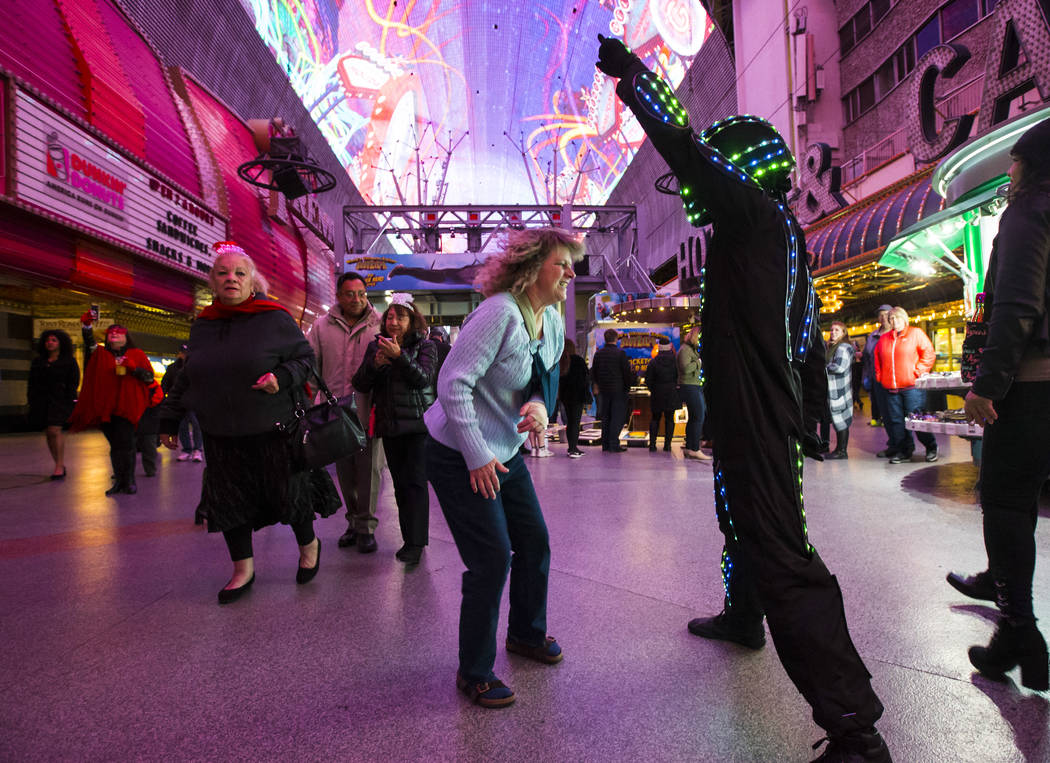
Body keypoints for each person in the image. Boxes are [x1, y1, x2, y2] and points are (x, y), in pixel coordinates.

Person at [597, 36, 889, 761]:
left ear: (746, 167)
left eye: (720, 169)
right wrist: (820, 410)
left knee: (780, 550)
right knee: (740, 517)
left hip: (757, 416)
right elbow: (810, 335)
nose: (700, 190)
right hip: (757, 412)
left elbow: (689, 150)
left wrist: (636, 79)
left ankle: (854, 726)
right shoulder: (781, 234)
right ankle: (741, 613)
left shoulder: (753, 217)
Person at [424, 227, 582, 708]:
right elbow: (451, 384)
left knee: (533, 540)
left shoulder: (551, 321)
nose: (571, 274)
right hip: (458, 450)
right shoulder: (498, 314)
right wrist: (475, 455)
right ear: (533, 269)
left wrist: (537, 407)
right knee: (492, 558)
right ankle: (474, 671)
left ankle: (527, 634)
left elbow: (543, 378)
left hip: (505, 450)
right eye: (563, 264)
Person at [159, 242, 339, 604]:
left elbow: (305, 361)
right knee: (229, 503)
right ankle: (243, 570)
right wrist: (169, 419)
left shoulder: (273, 318)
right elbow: (186, 377)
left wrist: (281, 378)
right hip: (221, 435)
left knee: (289, 494)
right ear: (212, 281)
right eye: (223, 273)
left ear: (252, 281)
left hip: (273, 429)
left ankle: (309, 545)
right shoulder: (204, 326)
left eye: (239, 273)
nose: (231, 279)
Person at [952, 118, 1050, 692]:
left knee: (1006, 502)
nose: (1008, 171)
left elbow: (1016, 303)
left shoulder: (1030, 212)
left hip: (1034, 385)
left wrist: (988, 386)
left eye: (1014, 161)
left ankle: (1018, 630)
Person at [352, 293, 438, 564]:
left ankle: (417, 542)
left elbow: (422, 379)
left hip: (417, 427)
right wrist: (375, 365)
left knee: (415, 484)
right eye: (389, 316)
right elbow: (360, 384)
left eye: (400, 316)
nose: (393, 321)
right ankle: (408, 538)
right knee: (400, 486)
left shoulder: (426, 347)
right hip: (389, 426)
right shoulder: (375, 347)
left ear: (412, 320)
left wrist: (399, 357)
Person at [306, 271, 384, 553]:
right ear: (338, 296)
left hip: (369, 412)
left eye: (361, 293)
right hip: (334, 415)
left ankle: (366, 527)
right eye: (350, 294)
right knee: (346, 473)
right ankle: (353, 522)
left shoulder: (380, 324)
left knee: (370, 472)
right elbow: (312, 369)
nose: (356, 299)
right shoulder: (321, 327)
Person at [70, 318, 155, 495]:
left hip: (127, 407)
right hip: (107, 408)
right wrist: (87, 327)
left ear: (126, 337)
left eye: (119, 332)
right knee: (115, 445)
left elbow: (148, 378)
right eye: (111, 333)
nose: (114, 334)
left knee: (126, 443)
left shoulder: (137, 354)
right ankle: (120, 481)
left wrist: (133, 368)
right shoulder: (101, 354)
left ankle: (129, 481)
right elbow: (89, 344)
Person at [873, 307, 938, 463]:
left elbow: (929, 353)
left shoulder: (915, 334)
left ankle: (931, 447)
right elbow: (877, 359)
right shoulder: (884, 339)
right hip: (891, 388)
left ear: (904, 318)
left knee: (917, 419)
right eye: (891, 319)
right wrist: (880, 377)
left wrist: (918, 371)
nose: (893, 322)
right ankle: (905, 451)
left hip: (912, 388)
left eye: (896, 318)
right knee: (896, 422)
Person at [27, 329, 79, 479]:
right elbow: (32, 383)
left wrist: (70, 400)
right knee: (49, 433)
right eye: (48, 340)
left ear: (61, 343)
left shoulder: (69, 361)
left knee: (55, 430)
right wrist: (31, 400)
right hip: (42, 401)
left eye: (54, 340)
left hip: (61, 401)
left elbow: (73, 383)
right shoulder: (38, 362)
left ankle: (58, 466)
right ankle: (59, 464)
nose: (50, 343)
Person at [590, 328, 635, 452]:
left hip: (603, 391)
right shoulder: (621, 354)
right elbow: (626, 373)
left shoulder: (598, 354)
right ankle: (614, 444)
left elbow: (594, 372)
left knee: (606, 418)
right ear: (616, 339)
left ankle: (605, 444)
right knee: (617, 418)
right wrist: (627, 387)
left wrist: (596, 385)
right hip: (618, 390)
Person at [161, 346, 203, 462]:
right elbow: (165, 385)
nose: (185, 355)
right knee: (182, 427)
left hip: (194, 403)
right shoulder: (172, 368)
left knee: (197, 425)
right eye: (183, 353)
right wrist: (165, 399)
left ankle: (198, 449)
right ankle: (187, 449)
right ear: (179, 354)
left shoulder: (196, 367)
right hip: (179, 403)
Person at [677, 324, 711, 461]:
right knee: (699, 416)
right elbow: (685, 368)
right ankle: (695, 449)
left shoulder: (690, 349)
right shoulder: (685, 350)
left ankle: (691, 447)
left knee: (694, 418)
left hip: (693, 385)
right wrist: (699, 362)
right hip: (689, 386)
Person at [825, 322, 854, 460]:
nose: (833, 332)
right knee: (838, 419)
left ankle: (842, 451)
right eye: (831, 330)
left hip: (839, 389)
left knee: (840, 419)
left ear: (844, 333)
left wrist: (823, 368)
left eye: (837, 330)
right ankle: (839, 449)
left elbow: (840, 367)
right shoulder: (832, 347)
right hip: (835, 389)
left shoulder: (843, 347)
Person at [644, 336, 679, 451]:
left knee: (655, 419)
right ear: (669, 347)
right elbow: (679, 376)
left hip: (657, 393)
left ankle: (653, 445)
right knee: (670, 419)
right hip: (671, 393)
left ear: (659, 348)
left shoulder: (653, 362)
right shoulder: (675, 361)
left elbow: (648, 379)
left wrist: (653, 389)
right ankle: (667, 445)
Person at [558, 338, 591, 458]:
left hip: (565, 396)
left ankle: (571, 447)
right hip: (577, 396)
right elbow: (585, 378)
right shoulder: (578, 360)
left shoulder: (560, 361)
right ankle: (573, 448)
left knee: (569, 422)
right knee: (575, 422)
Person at [861, 306, 892, 430]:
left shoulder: (895, 333)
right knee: (877, 400)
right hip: (875, 375)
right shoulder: (873, 335)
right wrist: (867, 375)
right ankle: (878, 419)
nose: (883, 317)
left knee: (891, 402)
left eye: (886, 314)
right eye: (881, 315)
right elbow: (867, 356)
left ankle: (889, 421)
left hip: (891, 376)